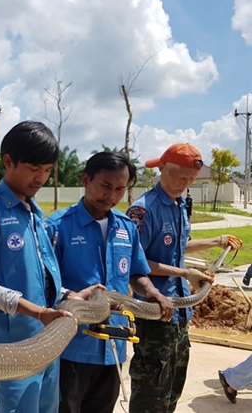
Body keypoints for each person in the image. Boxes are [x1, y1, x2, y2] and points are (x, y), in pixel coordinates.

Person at [0, 121, 100, 413]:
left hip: (46, 336)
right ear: (8, 161)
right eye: (34, 168)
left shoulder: (34, 211)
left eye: (48, 169)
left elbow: (39, 276)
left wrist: (69, 295)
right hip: (12, 346)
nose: (42, 178)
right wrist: (35, 311)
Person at [45, 151, 173, 413]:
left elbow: (137, 273)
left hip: (114, 345)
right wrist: (72, 296)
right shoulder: (58, 227)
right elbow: (44, 283)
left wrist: (151, 292)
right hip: (71, 346)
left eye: (120, 189)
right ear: (85, 179)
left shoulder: (126, 227)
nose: (112, 195)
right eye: (105, 186)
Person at [126, 142, 244, 413]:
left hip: (180, 313)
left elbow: (178, 245)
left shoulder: (179, 205)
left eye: (191, 180)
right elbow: (136, 261)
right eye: (181, 178)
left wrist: (217, 240)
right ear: (162, 169)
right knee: (150, 392)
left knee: (171, 391)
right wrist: (184, 273)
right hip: (155, 312)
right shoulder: (144, 210)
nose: (185, 184)